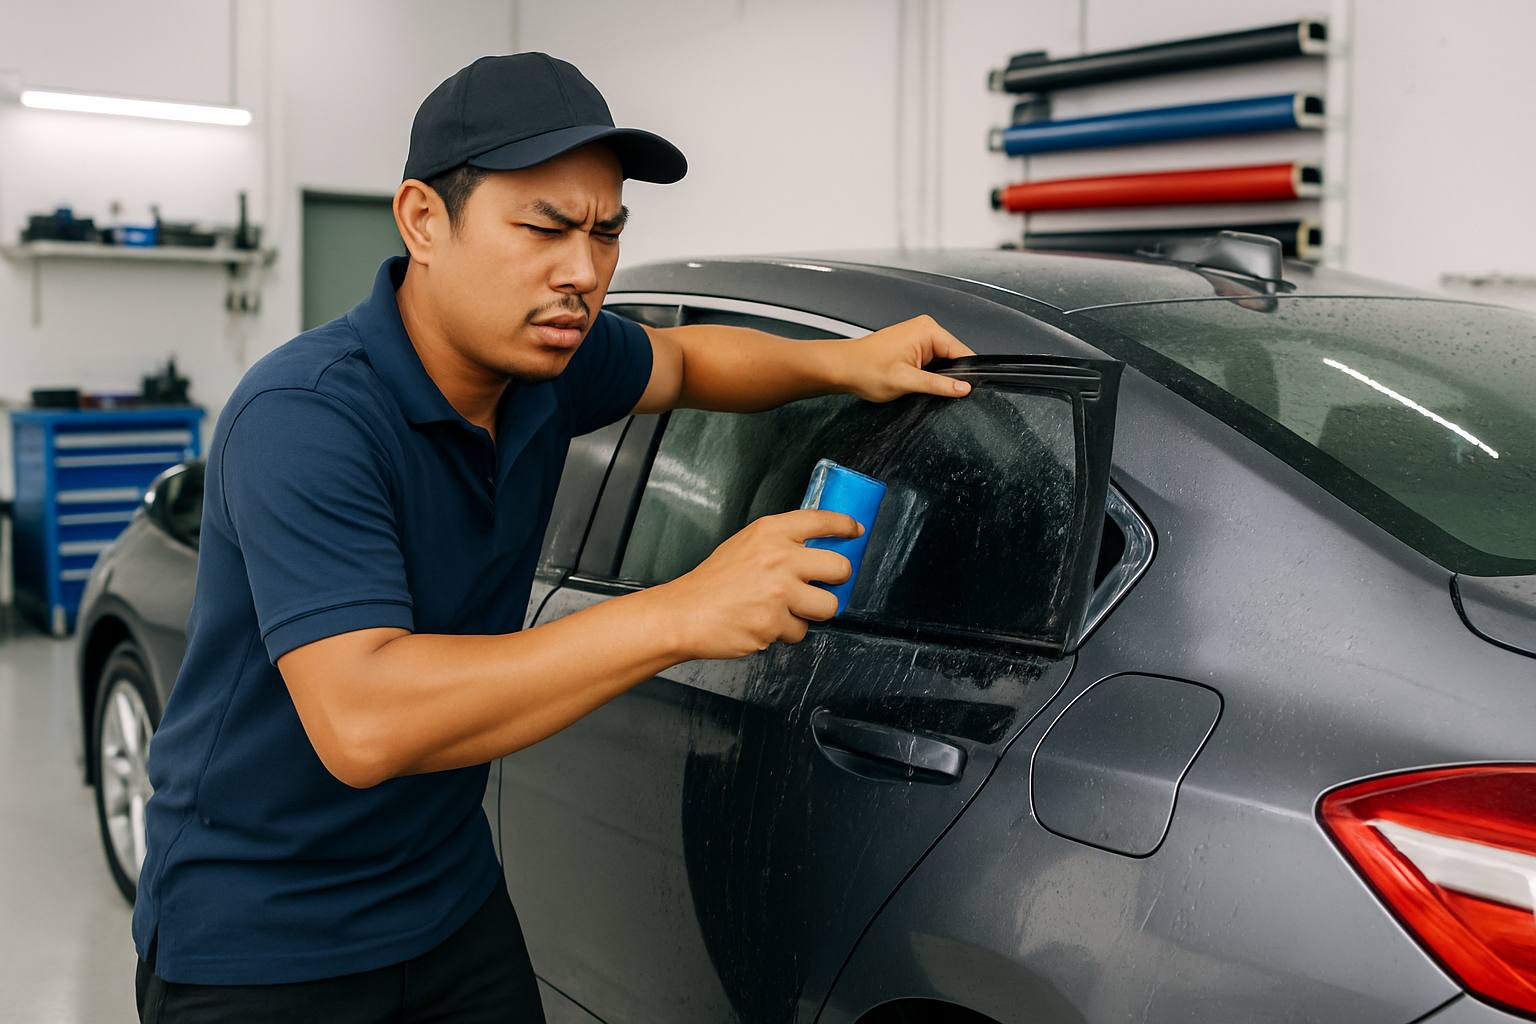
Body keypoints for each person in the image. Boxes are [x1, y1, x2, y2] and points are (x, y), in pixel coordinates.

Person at [131, 52, 974, 1022]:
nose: (582, 271)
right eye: (544, 228)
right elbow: (364, 722)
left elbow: (691, 359)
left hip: (446, 902)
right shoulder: (305, 416)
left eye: (606, 232)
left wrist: (848, 363)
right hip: (263, 943)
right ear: (423, 222)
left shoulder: (546, 363)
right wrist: (682, 610)